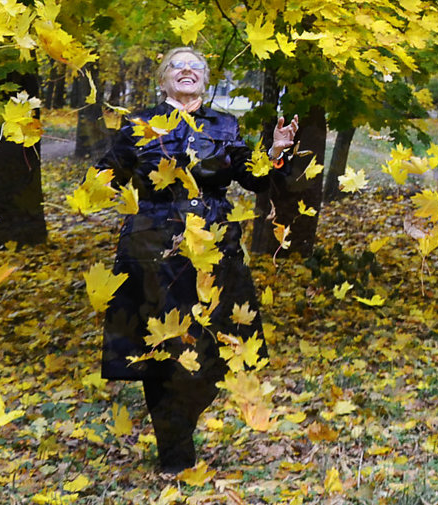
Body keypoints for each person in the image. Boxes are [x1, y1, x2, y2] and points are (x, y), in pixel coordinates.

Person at [96, 47, 299, 473]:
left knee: (214, 350)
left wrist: (276, 152)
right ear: (162, 78)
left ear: (205, 80)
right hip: (153, 250)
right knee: (161, 351)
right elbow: (105, 179)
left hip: (213, 250)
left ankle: (179, 429)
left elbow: (254, 178)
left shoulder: (224, 124)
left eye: (196, 67)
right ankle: (175, 454)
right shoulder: (137, 124)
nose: (187, 70)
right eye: (177, 65)